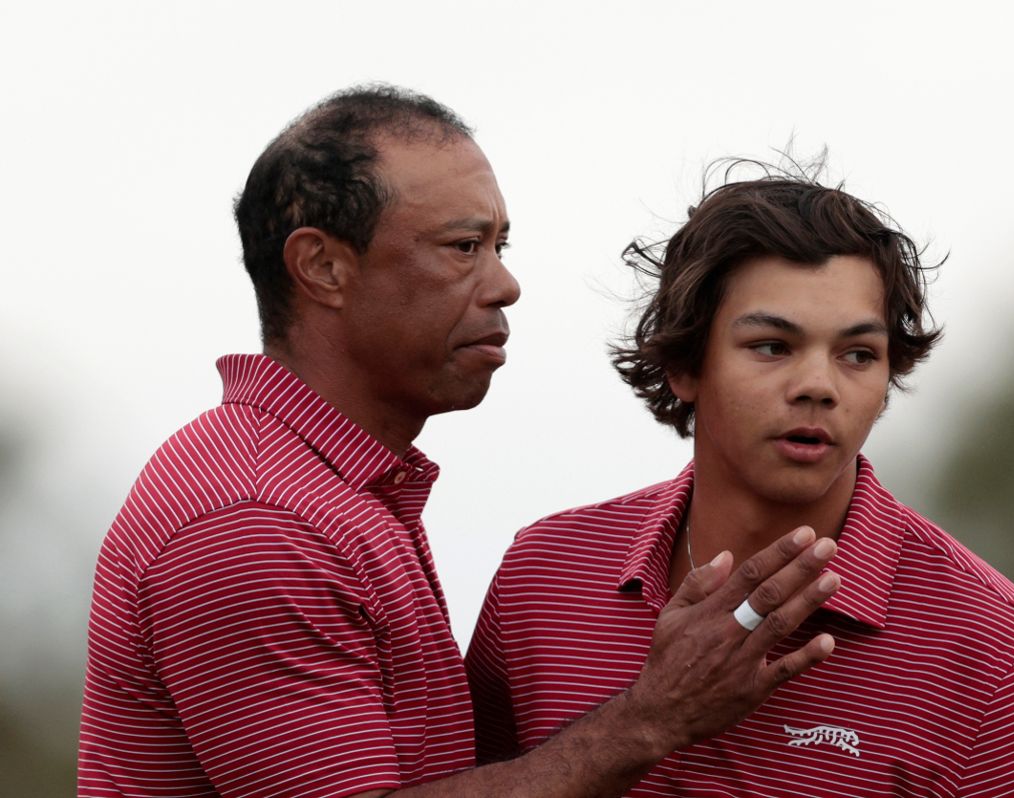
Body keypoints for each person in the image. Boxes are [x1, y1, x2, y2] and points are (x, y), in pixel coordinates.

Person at [76, 88, 842, 798]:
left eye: (502, 244)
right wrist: (652, 718)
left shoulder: (331, 488)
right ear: (322, 268)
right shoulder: (254, 523)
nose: (505, 284)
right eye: (463, 246)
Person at [466, 162, 1014, 796]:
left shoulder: (998, 651)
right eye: (771, 346)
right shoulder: (542, 577)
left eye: (859, 355)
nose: (818, 386)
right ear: (683, 364)